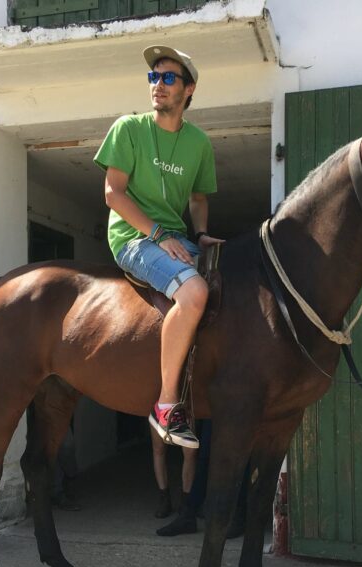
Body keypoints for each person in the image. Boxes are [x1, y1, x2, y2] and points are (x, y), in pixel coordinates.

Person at [93, 45, 222, 451]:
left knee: (232, 282)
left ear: (189, 90)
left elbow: (199, 199)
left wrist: (200, 235)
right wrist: (158, 236)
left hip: (178, 238)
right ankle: (167, 405)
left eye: (168, 78)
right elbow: (113, 194)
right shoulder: (128, 128)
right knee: (195, 292)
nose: (158, 85)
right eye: (154, 77)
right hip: (133, 237)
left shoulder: (199, 143)